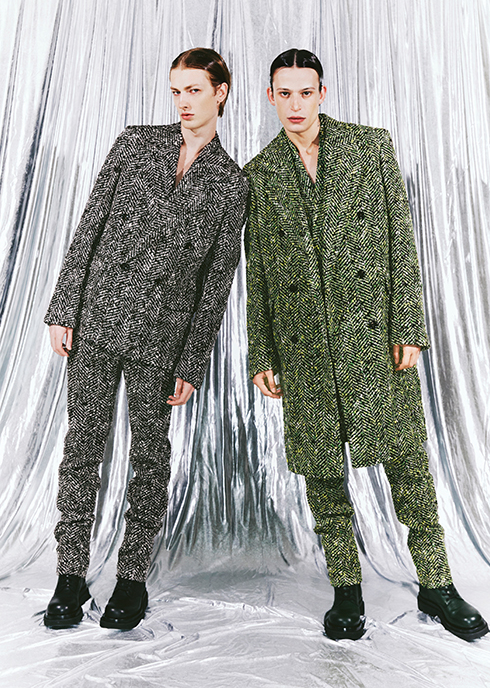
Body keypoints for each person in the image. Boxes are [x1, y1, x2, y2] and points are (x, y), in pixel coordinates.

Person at [244, 48, 488, 642]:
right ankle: (346, 588)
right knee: (323, 470)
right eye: (285, 93)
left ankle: (437, 583)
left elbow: (402, 242)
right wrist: (262, 354)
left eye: (306, 92)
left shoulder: (371, 147)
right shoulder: (258, 173)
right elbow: (260, 272)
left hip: (373, 335)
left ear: (322, 92)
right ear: (270, 97)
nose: (296, 105)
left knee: (408, 463)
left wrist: (409, 328)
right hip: (304, 343)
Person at [43, 47, 248, 630]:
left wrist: (191, 360)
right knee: (82, 448)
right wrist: (64, 306)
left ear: (221, 92)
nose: (183, 102)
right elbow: (90, 224)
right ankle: (69, 575)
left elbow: (216, 284)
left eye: (195, 90)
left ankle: (132, 579)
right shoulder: (135, 143)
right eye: (176, 91)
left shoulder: (232, 184)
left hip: (163, 337)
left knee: (150, 457)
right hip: (97, 318)